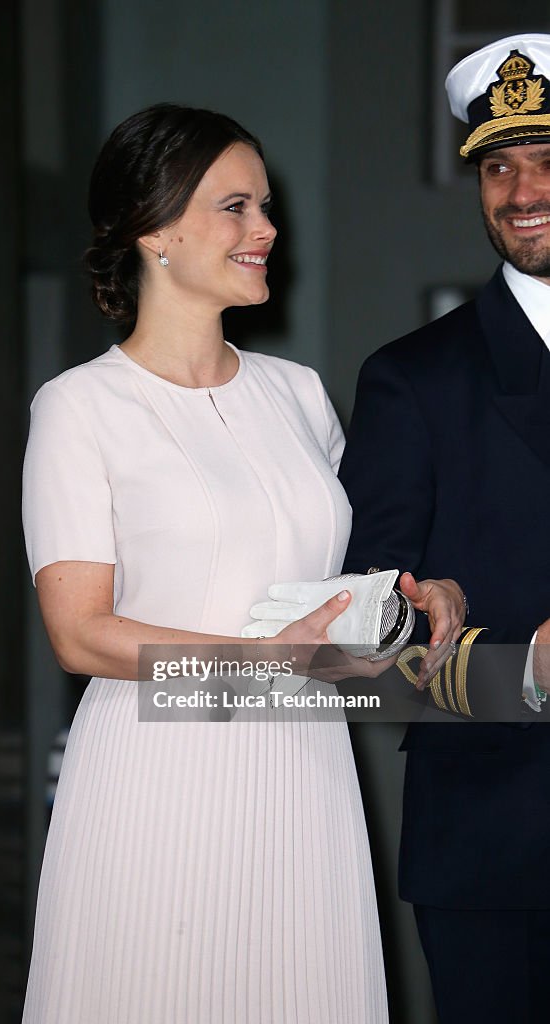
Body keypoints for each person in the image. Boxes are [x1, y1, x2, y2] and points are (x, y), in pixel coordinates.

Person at [21, 104, 463, 1023]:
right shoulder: (78, 408)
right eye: (236, 207)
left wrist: (408, 605)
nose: (266, 229)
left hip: (304, 771)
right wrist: (268, 662)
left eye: (264, 206)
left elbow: (327, 600)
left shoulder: (296, 394)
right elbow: (79, 634)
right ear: (155, 229)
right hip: (155, 773)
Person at [338, 34, 550, 1024]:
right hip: (494, 844)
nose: (520, 188)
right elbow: (364, 637)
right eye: (497, 163)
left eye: (546, 157)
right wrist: (504, 660)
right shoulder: (409, 378)